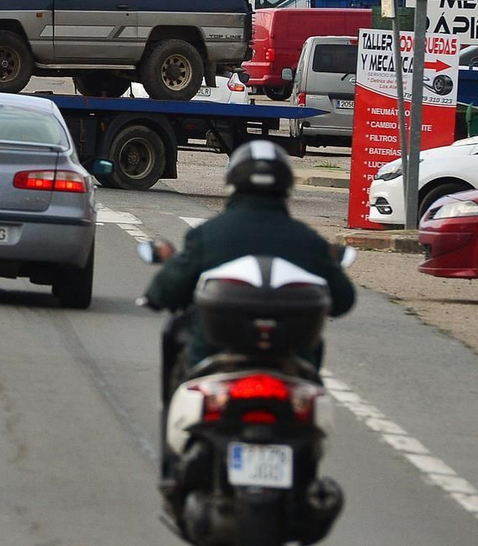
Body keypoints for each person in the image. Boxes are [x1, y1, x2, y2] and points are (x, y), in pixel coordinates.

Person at [143, 138, 355, 398]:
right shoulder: (308, 241)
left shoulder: (207, 236)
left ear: (233, 183)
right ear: (286, 186)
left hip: (213, 360)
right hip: (293, 367)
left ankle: (174, 417)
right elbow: (343, 299)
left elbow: (168, 290)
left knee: (175, 329)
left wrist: (155, 294)